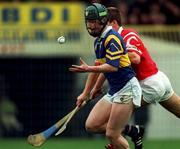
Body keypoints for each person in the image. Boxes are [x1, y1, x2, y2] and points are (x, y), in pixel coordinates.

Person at [90, 6, 180, 148]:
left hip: (150, 83)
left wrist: (114, 56)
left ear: (113, 23)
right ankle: (128, 132)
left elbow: (135, 58)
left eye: (103, 22)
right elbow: (108, 66)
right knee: (97, 124)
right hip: (153, 81)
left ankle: (128, 133)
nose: (99, 26)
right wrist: (97, 87)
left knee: (107, 125)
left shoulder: (127, 35)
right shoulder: (107, 40)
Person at [69, 3, 142, 149]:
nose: (90, 26)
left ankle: (127, 136)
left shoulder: (112, 38)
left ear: (103, 21)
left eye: (93, 22)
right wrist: (85, 93)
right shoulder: (98, 41)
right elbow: (99, 68)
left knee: (112, 135)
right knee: (92, 125)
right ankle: (131, 130)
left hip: (127, 88)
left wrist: (87, 68)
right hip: (114, 89)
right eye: (88, 22)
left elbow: (112, 67)